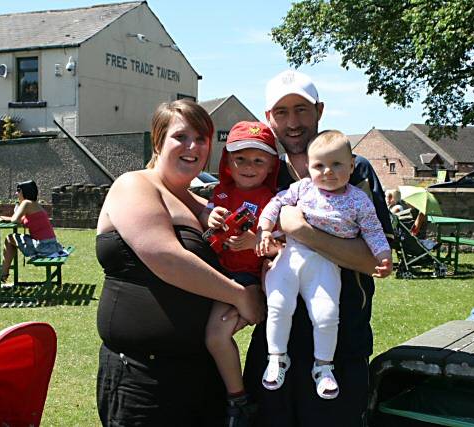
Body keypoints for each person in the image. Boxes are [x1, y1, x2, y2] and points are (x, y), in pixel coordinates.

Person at [94, 100, 265, 426]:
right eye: (180, 137)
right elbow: (166, 259)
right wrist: (241, 296)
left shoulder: (207, 207)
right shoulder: (135, 185)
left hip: (201, 371)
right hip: (143, 376)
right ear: (158, 141)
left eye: (201, 138)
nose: (193, 146)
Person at [243, 69, 392, 426]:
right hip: (277, 335)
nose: (292, 122)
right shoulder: (262, 170)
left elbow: (376, 259)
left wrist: (301, 229)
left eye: (301, 110)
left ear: (319, 110)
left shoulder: (354, 170)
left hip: (342, 333)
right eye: (281, 112)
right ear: (268, 117)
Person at [257, 130, 392, 400]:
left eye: (337, 164)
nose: (328, 172)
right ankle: (277, 357)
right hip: (291, 254)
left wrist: (383, 255)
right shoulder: (303, 188)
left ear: (352, 166)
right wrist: (264, 230)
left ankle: (323, 366)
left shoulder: (358, 199)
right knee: (279, 305)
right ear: (308, 166)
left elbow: (374, 230)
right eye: (319, 165)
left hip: (326, 263)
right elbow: (276, 203)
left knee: (327, 314)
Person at [199, 120, 280, 424]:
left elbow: (281, 246)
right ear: (228, 163)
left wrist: (256, 240)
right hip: (216, 273)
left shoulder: (274, 200)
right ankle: (233, 396)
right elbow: (206, 222)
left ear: (271, 165)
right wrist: (211, 215)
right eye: (240, 158)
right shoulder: (220, 193)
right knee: (212, 335)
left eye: (258, 160)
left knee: (216, 335)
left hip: (248, 278)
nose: (249, 166)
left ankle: (239, 401)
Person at [0, 180, 64, 282]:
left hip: (42, 246)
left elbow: (15, 220)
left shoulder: (26, 203)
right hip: (52, 245)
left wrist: (16, 210)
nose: (16, 193)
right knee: (12, 238)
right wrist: (8, 218)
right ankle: (4, 272)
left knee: (10, 238)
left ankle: (3, 273)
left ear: (24, 192)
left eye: (18, 190)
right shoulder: (35, 204)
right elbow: (24, 220)